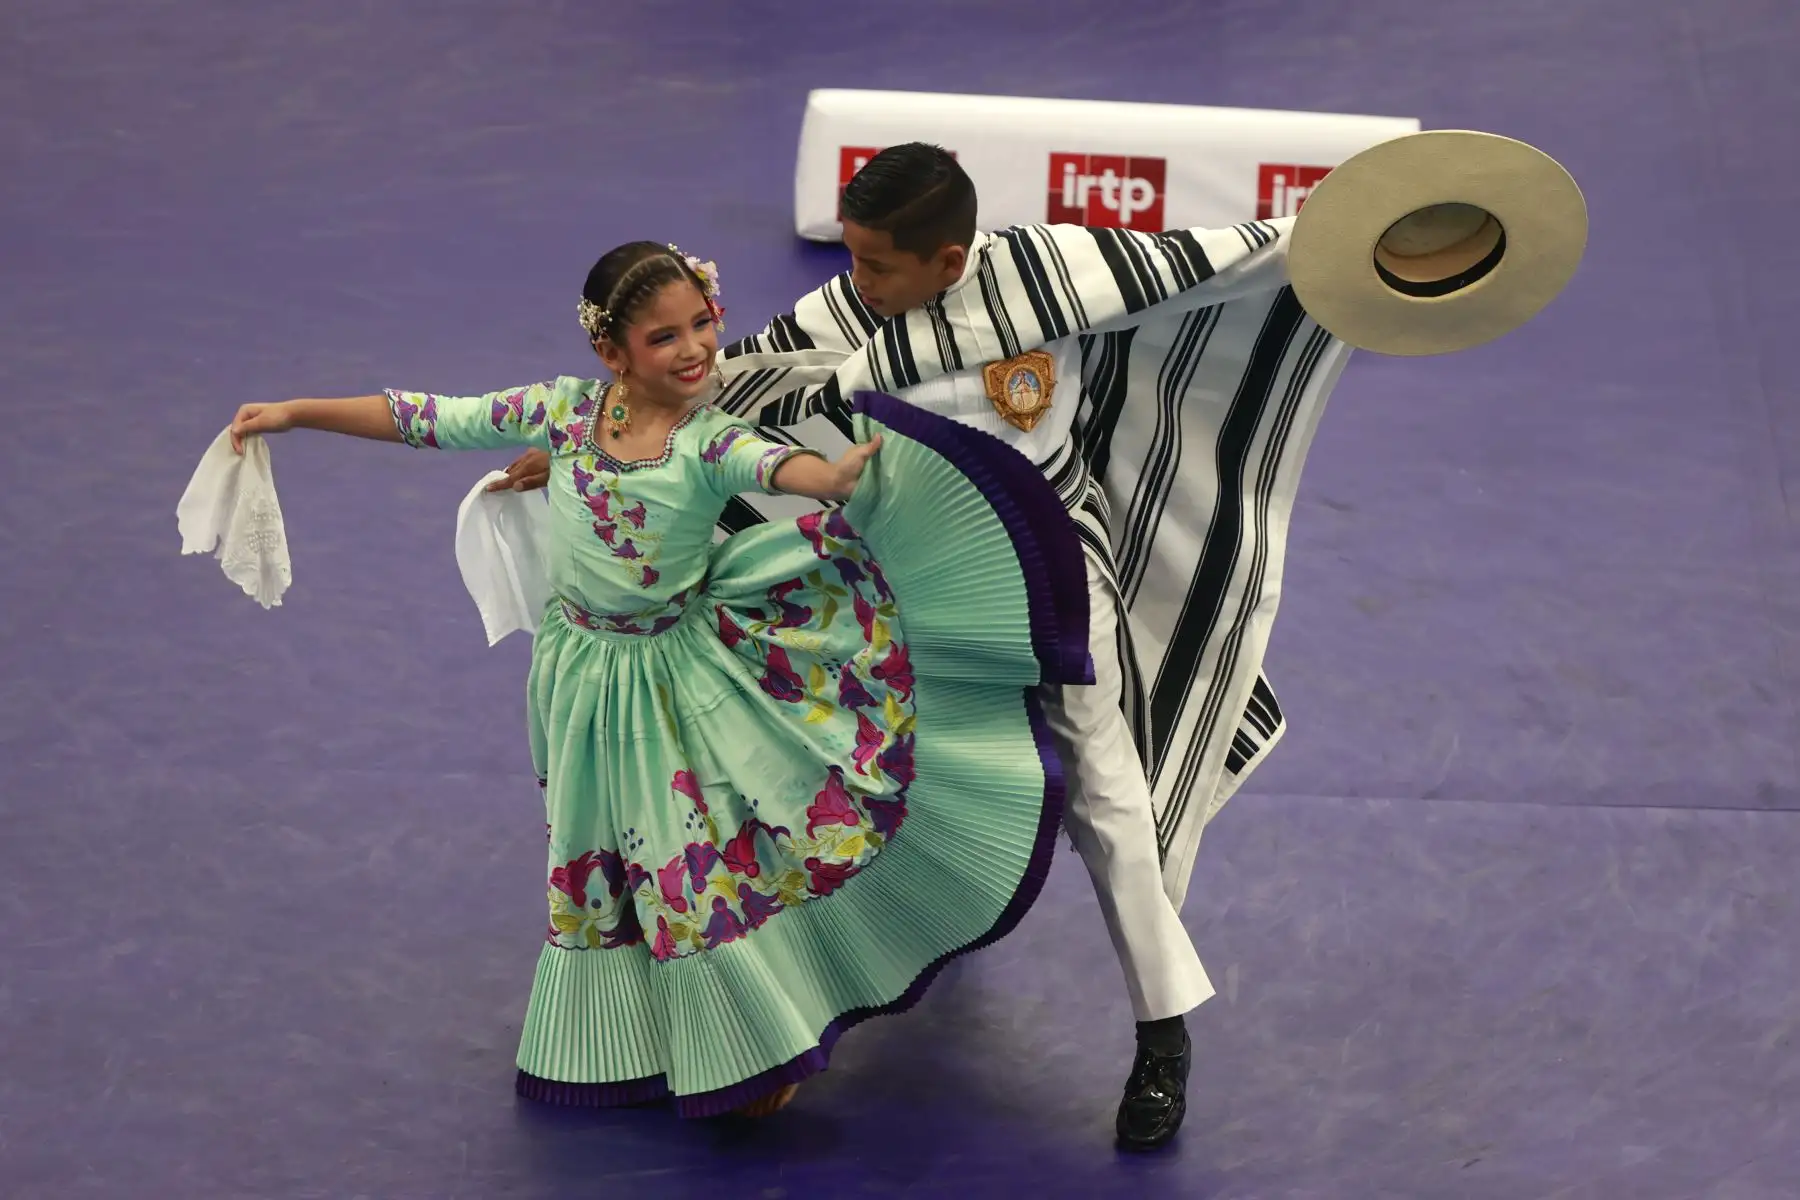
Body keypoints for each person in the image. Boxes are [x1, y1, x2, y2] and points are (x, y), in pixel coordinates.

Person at [493, 149, 1350, 1150]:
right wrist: (581, 442)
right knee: (829, 756)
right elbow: (729, 380)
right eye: (850, 260)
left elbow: (1236, 258)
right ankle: (805, 990)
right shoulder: (863, 306)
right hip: (898, 580)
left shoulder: (1057, 272)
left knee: (1108, 794)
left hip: (1051, 580)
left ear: (948, 259)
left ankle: (1163, 1034)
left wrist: (1388, 225)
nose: (855, 285)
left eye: (877, 268)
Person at [225, 239, 1092, 1119]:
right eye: (665, 336)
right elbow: (432, 418)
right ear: (611, 355)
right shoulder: (562, 416)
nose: (696, 348)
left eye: (704, 324)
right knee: (604, 849)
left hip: (677, 684)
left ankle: (756, 1039)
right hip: (575, 678)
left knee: (689, 862)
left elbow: (772, 466)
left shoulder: (709, 439)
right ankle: (643, 1027)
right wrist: (295, 414)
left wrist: (827, 477)